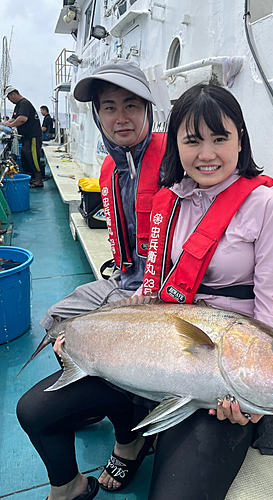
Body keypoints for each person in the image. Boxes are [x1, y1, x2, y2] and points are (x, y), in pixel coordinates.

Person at [17, 82, 273, 500]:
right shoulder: (171, 199)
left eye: (220, 138)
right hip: (157, 349)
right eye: (192, 141)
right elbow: (154, 288)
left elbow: (271, 311)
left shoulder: (266, 206)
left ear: (241, 139)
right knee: (35, 411)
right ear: (178, 146)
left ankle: (146, 431)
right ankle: (78, 483)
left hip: (219, 370)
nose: (206, 154)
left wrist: (253, 397)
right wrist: (93, 335)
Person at [17, 58, 166, 500]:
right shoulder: (108, 167)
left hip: (159, 290)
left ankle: (129, 434)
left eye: (131, 106)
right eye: (108, 107)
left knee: (109, 345)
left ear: (148, 109)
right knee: (54, 320)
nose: (120, 117)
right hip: (122, 278)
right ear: (97, 115)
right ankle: (91, 393)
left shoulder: (175, 158)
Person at [2, 86, 44, 187]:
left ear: (13, 94)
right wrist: (4, 124)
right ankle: (28, 180)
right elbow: (13, 118)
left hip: (33, 137)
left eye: (9, 97)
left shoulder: (24, 104)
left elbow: (22, 119)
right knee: (26, 159)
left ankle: (38, 181)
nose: (9, 100)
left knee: (33, 158)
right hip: (25, 137)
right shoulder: (18, 105)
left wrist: (10, 125)